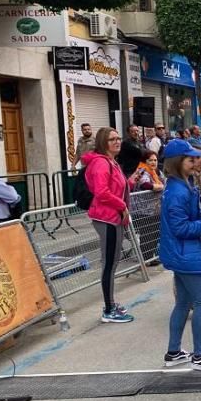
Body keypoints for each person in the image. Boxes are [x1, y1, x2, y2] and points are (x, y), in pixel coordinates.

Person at [158, 139, 201, 372]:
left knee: (184, 302)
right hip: (185, 254)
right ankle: (200, 354)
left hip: (182, 253)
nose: (196, 161)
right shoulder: (178, 190)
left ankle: (174, 351)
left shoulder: (182, 185)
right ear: (178, 162)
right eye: (190, 159)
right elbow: (181, 228)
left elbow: (190, 216)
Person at [82, 128, 133, 324]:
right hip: (107, 218)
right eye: (112, 139)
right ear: (104, 142)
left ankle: (111, 303)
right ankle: (109, 309)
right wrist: (122, 206)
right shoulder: (101, 163)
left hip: (113, 217)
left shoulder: (111, 162)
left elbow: (116, 188)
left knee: (112, 263)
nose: (117, 141)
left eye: (119, 138)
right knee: (109, 264)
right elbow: (101, 192)